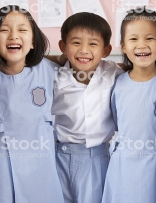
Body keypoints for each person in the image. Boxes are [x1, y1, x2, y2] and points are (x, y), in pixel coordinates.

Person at [0, 5, 64, 203]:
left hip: (40, 167)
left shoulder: (48, 70)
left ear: (32, 41)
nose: (13, 36)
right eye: (4, 30)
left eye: (22, 30)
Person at [101, 8, 156, 203]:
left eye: (149, 38)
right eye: (133, 39)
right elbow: (116, 121)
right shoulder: (116, 83)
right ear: (123, 46)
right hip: (123, 167)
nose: (142, 45)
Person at [51, 12, 124, 203]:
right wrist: (58, 59)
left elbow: (137, 70)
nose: (84, 50)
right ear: (63, 47)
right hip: (57, 156)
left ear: (106, 50)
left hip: (96, 158)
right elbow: (34, 59)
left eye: (93, 44)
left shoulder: (113, 72)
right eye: (76, 43)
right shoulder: (54, 75)